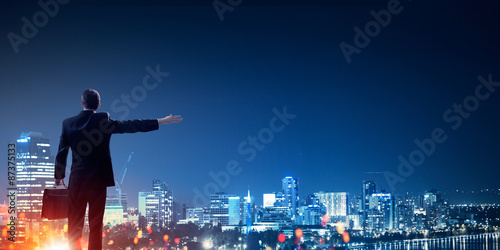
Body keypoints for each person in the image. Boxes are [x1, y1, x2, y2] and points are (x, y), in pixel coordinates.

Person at [54, 89, 182, 250]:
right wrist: (161, 121)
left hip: (77, 181)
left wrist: (58, 177)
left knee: (74, 226)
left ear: (82, 104)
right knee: (95, 226)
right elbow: (131, 125)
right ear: (99, 105)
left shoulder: (67, 123)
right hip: (98, 182)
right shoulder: (103, 121)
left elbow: (61, 152)